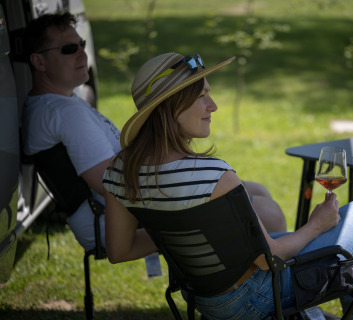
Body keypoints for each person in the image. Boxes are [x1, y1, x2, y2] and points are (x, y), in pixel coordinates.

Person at [102, 52, 353, 319]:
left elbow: (119, 251)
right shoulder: (213, 176)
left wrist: (178, 236)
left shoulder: (119, 173)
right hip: (256, 296)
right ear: (171, 108)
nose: (213, 106)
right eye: (202, 97)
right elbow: (269, 259)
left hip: (202, 297)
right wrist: (318, 224)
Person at [21, 12, 286, 251]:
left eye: (82, 45)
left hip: (134, 201)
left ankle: (245, 279)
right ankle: (261, 289)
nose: (81, 54)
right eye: (69, 49)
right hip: (116, 219)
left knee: (258, 193)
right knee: (266, 212)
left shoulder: (55, 104)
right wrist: (181, 185)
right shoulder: (63, 113)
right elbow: (110, 185)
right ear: (39, 62)